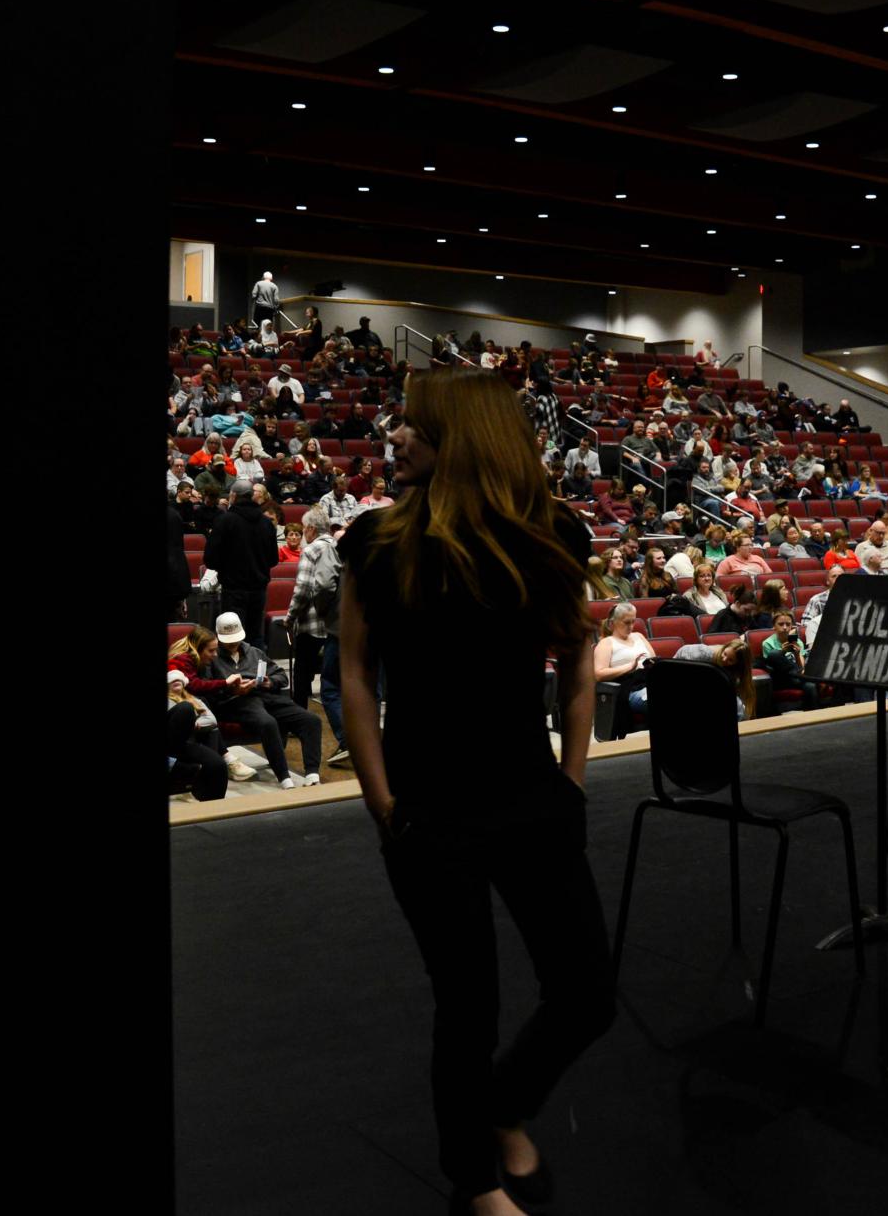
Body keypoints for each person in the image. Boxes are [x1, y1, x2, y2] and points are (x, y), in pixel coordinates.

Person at [335, 368, 612, 1216]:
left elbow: (573, 659)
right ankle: (475, 1178)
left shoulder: (554, 531)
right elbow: (354, 672)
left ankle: (499, 1107)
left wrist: (572, 775)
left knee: (586, 994)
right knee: (468, 1009)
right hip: (428, 813)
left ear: (462, 437)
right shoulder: (375, 540)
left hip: (532, 797)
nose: (396, 437)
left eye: (413, 426)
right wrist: (383, 807)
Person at [204, 611, 322, 789]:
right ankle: (284, 777)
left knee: (311, 720)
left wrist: (269, 682)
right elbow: (206, 688)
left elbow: (281, 676)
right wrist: (230, 688)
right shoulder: (212, 657)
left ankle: (312, 773)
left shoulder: (254, 652)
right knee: (267, 722)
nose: (233, 643)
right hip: (235, 701)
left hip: (264, 694)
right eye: (228, 640)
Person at [289, 507, 353, 766]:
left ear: (311, 530)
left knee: (313, 681)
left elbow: (305, 588)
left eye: (304, 529)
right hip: (349, 626)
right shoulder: (345, 547)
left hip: (319, 625)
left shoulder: (314, 549)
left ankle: (303, 724)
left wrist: (291, 616)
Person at [203, 477, 277, 647]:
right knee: (255, 636)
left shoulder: (225, 521)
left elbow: (210, 560)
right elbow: (273, 560)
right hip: (259, 590)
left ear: (234, 496)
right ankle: (256, 672)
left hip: (233, 590)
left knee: (232, 638)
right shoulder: (267, 524)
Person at [167, 669, 229, 801]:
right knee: (185, 709)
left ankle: (212, 811)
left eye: (178, 680)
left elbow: (212, 720)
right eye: (172, 681)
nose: (176, 682)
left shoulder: (194, 700)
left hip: (183, 743)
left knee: (217, 765)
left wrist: (192, 723)